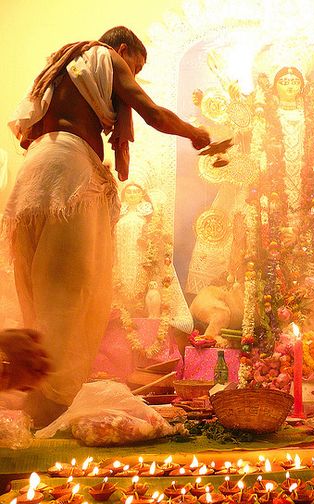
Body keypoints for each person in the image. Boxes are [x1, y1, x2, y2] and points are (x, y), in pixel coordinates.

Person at [2, 26, 210, 427]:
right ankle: (52, 411)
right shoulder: (106, 56)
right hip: (70, 177)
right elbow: (153, 113)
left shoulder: (62, 64)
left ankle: (35, 409)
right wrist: (195, 133)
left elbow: (28, 130)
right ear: (123, 49)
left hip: (33, 178)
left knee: (35, 298)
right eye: (136, 66)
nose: (133, 75)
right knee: (73, 299)